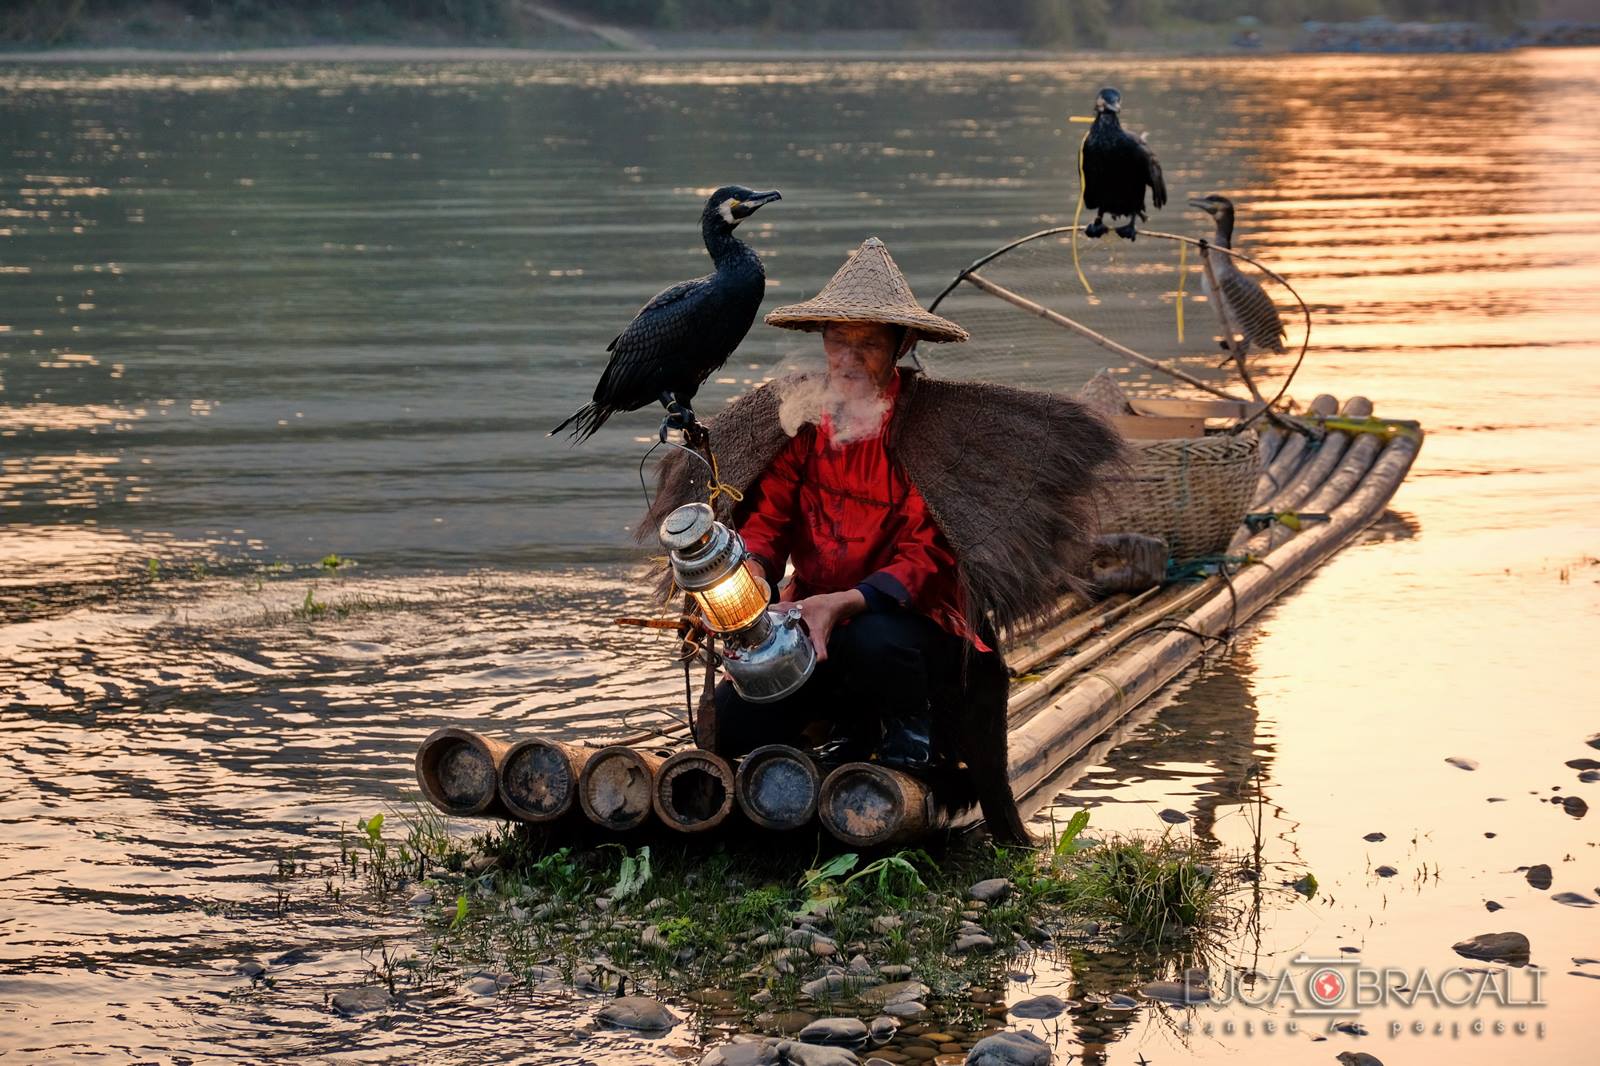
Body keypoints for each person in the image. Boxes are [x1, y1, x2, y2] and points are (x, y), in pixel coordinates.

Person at [643, 237, 1122, 843]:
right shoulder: (805, 419)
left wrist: (842, 602)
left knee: (872, 641)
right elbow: (769, 520)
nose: (848, 357)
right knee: (735, 724)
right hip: (812, 617)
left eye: (867, 343)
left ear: (903, 345)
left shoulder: (929, 430)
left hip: (909, 629)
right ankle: (829, 738)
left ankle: (907, 737)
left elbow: (927, 557)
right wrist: (757, 578)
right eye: (838, 339)